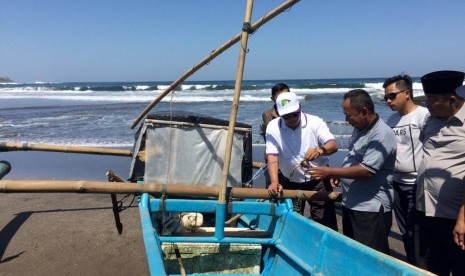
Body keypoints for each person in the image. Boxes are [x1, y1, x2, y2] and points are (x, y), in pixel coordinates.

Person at [309, 89, 396, 254]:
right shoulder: (360, 128)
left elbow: (367, 170)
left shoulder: (381, 134)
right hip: (352, 204)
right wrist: (339, 174)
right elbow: (354, 159)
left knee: (370, 257)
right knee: (354, 253)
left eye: (349, 115)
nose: (346, 120)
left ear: (364, 112)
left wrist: (331, 172)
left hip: (370, 209)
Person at [415, 70, 465, 276]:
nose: (427, 105)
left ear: (452, 100)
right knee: (431, 267)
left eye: (432, 100)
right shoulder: (431, 119)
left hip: (455, 215)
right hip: (424, 209)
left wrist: (463, 217)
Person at [266, 92, 338, 230]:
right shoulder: (273, 127)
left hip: (318, 181)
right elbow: (272, 155)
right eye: (286, 116)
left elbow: (333, 145)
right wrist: (274, 181)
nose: (292, 118)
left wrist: (320, 150)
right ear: (279, 113)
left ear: (300, 108)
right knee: (291, 219)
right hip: (289, 181)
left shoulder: (315, 122)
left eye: (295, 113)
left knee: (324, 222)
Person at [383, 74, 430, 264]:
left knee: (416, 232)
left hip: (416, 184)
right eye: (385, 97)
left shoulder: (424, 116)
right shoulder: (391, 119)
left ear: (407, 93)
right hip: (395, 183)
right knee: (405, 232)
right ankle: (411, 265)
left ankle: (421, 267)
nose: (388, 100)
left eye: (392, 96)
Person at [259, 83, 290, 188]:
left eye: (286, 96)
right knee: (273, 186)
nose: (283, 100)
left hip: (292, 156)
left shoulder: (296, 112)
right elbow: (273, 135)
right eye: (279, 97)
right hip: (274, 154)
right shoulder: (268, 115)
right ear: (273, 99)